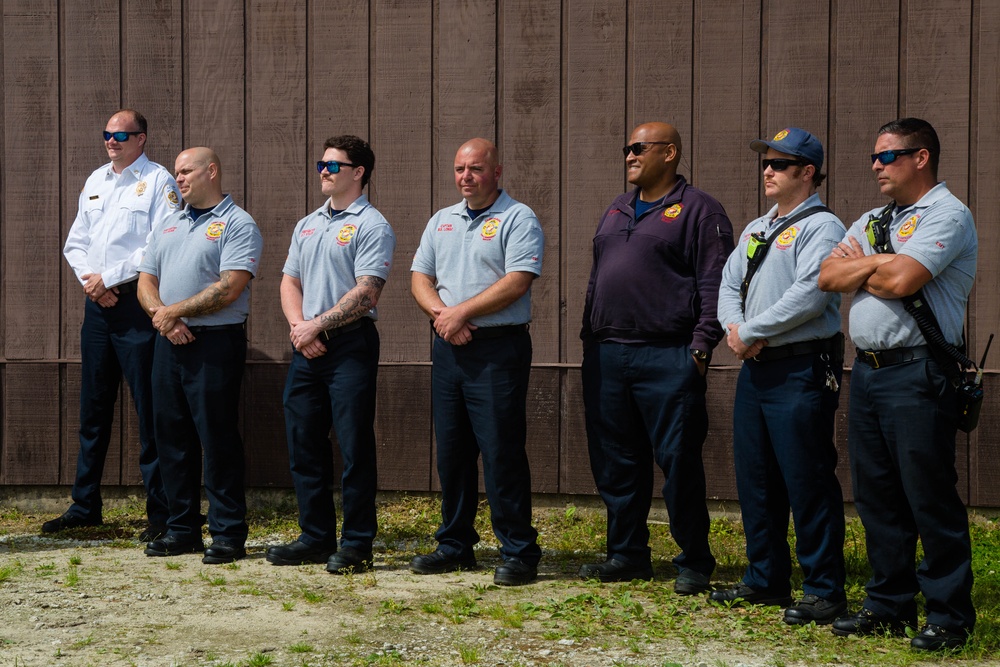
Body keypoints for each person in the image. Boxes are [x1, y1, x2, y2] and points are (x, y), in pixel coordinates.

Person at [818, 118, 977, 651]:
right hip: (867, 371)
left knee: (928, 496)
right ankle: (889, 604)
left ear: (922, 157)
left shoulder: (948, 214)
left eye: (888, 157)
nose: (876, 166)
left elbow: (904, 281)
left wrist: (867, 264)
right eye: (874, 157)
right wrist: (882, 262)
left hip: (918, 371)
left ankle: (949, 616)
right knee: (877, 496)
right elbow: (826, 277)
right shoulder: (873, 218)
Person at [579, 122, 734, 593]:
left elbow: (715, 284)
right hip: (608, 355)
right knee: (617, 462)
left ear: (669, 153)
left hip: (668, 355)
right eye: (626, 147)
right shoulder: (616, 208)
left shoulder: (699, 211)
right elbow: (598, 277)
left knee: (679, 462)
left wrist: (702, 348)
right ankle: (627, 555)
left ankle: (694, 561)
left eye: (638, 147)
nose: (628, 154)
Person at [713, 128, 847, 623]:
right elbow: (729, 282)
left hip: (801, 367)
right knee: (757, 479)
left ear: (807, 172)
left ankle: (824, 589)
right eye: (765, 163)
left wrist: (752, 328)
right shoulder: (756, 227)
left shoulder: (823, 227)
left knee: (806, 477)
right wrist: (736, 327)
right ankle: (765, 579)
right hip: (757, 367)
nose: (767, 171)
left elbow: (811, 294)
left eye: (780, 164)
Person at [409, 138, 544, 586]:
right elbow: (419, 277)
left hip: (497, 350)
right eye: (459, 169)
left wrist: (462, 312)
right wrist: (443, 317)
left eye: (476, 169)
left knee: (501, 450)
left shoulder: (517, 218)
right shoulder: (440, 220)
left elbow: (518, 280)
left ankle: (519, 551)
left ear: (497, 171)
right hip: (448, 346)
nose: (466, 177)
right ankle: (454, 545)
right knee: (452, 452)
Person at [266, 136, 395, 573]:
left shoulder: (371, 225)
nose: (324, 170)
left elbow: (367, 292)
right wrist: (300, 329)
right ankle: (315, 536)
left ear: (358, 172)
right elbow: (289, 281)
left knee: (354, 444)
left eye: (334, 165)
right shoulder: (307, 224)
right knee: (304, 442)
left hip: (349, 347)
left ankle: (357, 543)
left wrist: (316, 325)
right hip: (306, 344)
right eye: (322, 163)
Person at [51, 109, 180, 539]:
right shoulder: (96, 180)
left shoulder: (159, 181)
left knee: (150, 409)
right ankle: (85, 504)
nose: (112, 141)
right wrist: (93, 283)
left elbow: (160, 241)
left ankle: (161, 513)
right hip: (98, 308)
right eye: (107, 134)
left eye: (122, 135)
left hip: (136, 306)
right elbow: (76, 242)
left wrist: (112, 278)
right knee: (94, 408)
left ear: (142, 138)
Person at [136, 147, 263, 565]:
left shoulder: (237, 224)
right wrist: (164, 318)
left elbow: (230, 287)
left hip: (214, 343)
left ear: (212, 171)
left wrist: (174, 311)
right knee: (171, 436)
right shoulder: (168, 224)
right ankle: (182, 528)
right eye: (175, 172)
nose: (179, 179)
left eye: (186, 171)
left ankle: (227, 533)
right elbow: (146, 280)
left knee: (217, 437)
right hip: (168, 341)